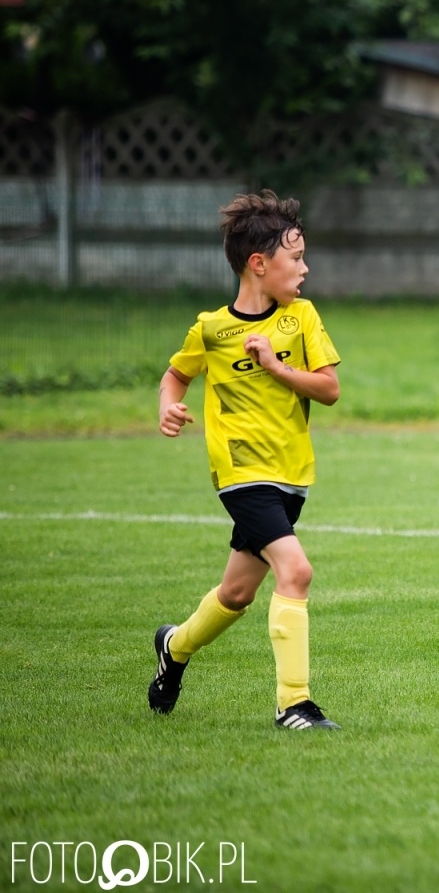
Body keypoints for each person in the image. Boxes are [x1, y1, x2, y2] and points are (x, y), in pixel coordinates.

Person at [149, 191, 343, 729]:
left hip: (292, 475)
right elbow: (175, 375)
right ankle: (294, 704)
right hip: (240, 475)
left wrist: (276, 366)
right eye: (296, 258)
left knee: (236, 593)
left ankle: (176, 646)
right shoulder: (211, 328)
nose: (305, 268)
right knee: (296, 571)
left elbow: (328, 389)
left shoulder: (300, 318)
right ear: (259, 264)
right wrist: (170, 407)